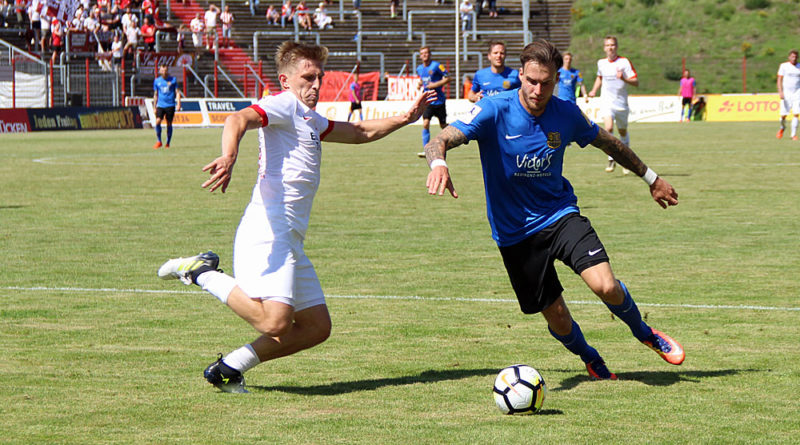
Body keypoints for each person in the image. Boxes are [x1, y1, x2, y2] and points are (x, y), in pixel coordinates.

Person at [157, 41, 434, 394]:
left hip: (290, 238)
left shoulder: (309, 117)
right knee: (276, 322)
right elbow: (237, 118)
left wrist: (404, 118)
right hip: (269, 230)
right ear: (285, 80)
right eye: (308, 77)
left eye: (319, 77)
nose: (316, 85)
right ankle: (201, 273)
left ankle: (229, 368)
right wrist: (229, 156)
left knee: (316, 326)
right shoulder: (283, 104)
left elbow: (360, 132)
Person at [424, 38, 684, 382]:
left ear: (556, 79)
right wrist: (439, 163)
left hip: (560, 216)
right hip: (515, 234)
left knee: (606, 286)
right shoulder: (493, 110)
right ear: (521, 74)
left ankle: (644, 332)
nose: (537, 89)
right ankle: (589, 356)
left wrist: (651, 179)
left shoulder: (566, 113)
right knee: (558, 317)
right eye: (531, 80)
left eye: (546, 82)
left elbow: (609, 142)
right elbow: (438, 139)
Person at [588, 35, 638, 174]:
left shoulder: (624, 62)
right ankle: (611, 158)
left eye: (613, 45)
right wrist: (593, 90)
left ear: (616, 46)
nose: (610, 47)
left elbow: (636, 82)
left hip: (621, 103)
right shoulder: (601, 63)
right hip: (606, 101)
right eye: (608, 45)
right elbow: (600, 77)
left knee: (622, 131)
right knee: (608, 128)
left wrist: (624, 78)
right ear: (604, 48)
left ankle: (627, 160)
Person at [415, 46, 450, 157]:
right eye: (422, 53)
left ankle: (456, 135)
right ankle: (427, 149)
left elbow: (448, 78)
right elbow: (423, 79)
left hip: (438, 100)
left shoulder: (436, 66)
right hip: (428, 100)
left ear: (430, 54)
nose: (424, 55)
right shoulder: (419, 68)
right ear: (420, 56)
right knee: (425, 123)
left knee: (443, 125)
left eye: (426, 53)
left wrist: (435, 85)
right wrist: (420, 84)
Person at [152, 62, 181, 149]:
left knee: (169, 123)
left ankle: (168, 143)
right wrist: (154, 106)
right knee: (157, 121)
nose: (164, 71)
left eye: (165, 69)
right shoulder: (157, 81)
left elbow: (177, 92)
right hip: (160, 105)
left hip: (170, 105)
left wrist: (178, 104)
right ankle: (159, 141)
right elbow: (156, 94)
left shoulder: (173, 80)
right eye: (162, 69)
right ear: (160, 70)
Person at [776, 49, 800, 140]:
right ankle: (782, 127)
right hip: (786, 93)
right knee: (783, 115)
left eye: (795, 57)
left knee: (796, 113)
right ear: (789, 57)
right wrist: (780, 92)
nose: (794, 58)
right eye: (792, 56)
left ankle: (793, 135)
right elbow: (779, 80)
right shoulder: (784, 66)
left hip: (797, 93)